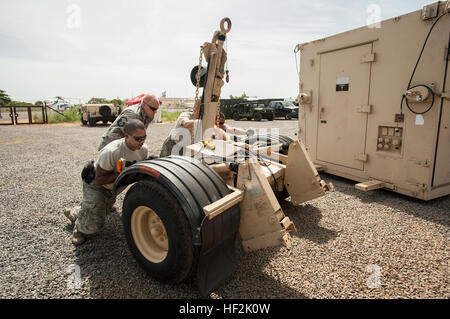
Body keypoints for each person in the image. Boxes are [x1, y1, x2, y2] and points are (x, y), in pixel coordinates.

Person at [64, 119, 148, 245]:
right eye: (138, 139)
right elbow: (99, 180)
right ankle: (79, 228)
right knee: (95, 224)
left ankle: (78, 211)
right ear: (126, 136)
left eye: (144, 137)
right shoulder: (112, 151)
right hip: (97, 186)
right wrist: (124, 173)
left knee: (102, 210)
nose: (142, 142)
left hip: (113, 186)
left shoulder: (143, 150)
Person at [159, 111, 228, 157]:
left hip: (185, 148)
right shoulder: (186, 115)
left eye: (221, 123)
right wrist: (203, 122)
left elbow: (225, 134)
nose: (219, 125)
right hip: (172, 144)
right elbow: (186, 124)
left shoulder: (210, 124)